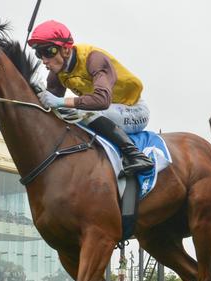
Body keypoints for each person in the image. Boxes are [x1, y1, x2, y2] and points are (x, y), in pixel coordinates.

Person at [28, 20, 154, 176]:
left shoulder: (94, 59)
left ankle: (136, 155)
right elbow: (51, 110)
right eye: (39, 54)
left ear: (66, 50)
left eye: (49, 51)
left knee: (85, 113)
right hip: (107, 111)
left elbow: (102, 101)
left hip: (135, 111)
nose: (44, 60)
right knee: (68, 115)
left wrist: (62, 102)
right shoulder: (57, 73)